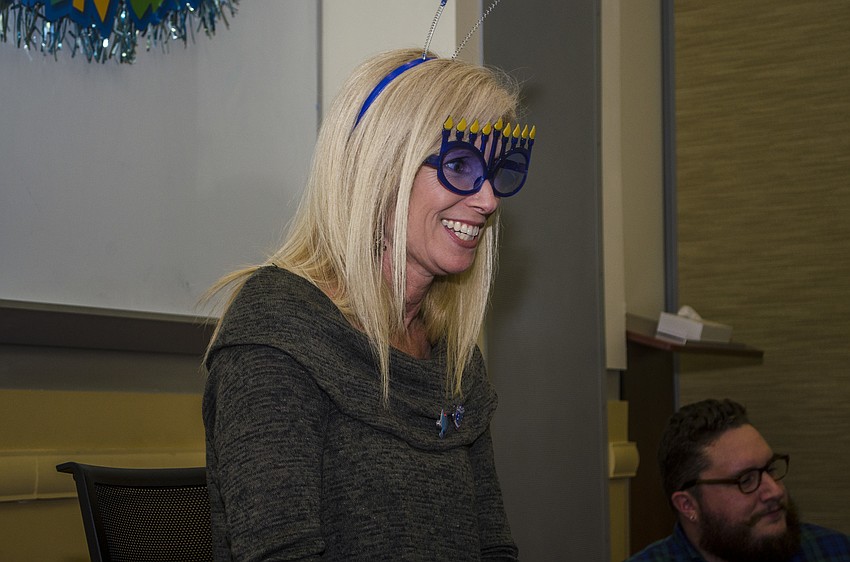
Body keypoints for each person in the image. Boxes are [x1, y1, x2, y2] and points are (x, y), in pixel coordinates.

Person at [201, 41, 536, 561]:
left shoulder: (452, 352)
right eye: (462, 166)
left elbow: (492, 546)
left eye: (498, 172)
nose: (489, 199)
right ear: (381, 170)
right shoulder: (277, 331)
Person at [626, 398, 850, 562]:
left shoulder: (833, 551)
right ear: (688, 505)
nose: (775, 491)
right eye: (745, 480)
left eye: (770, 469)